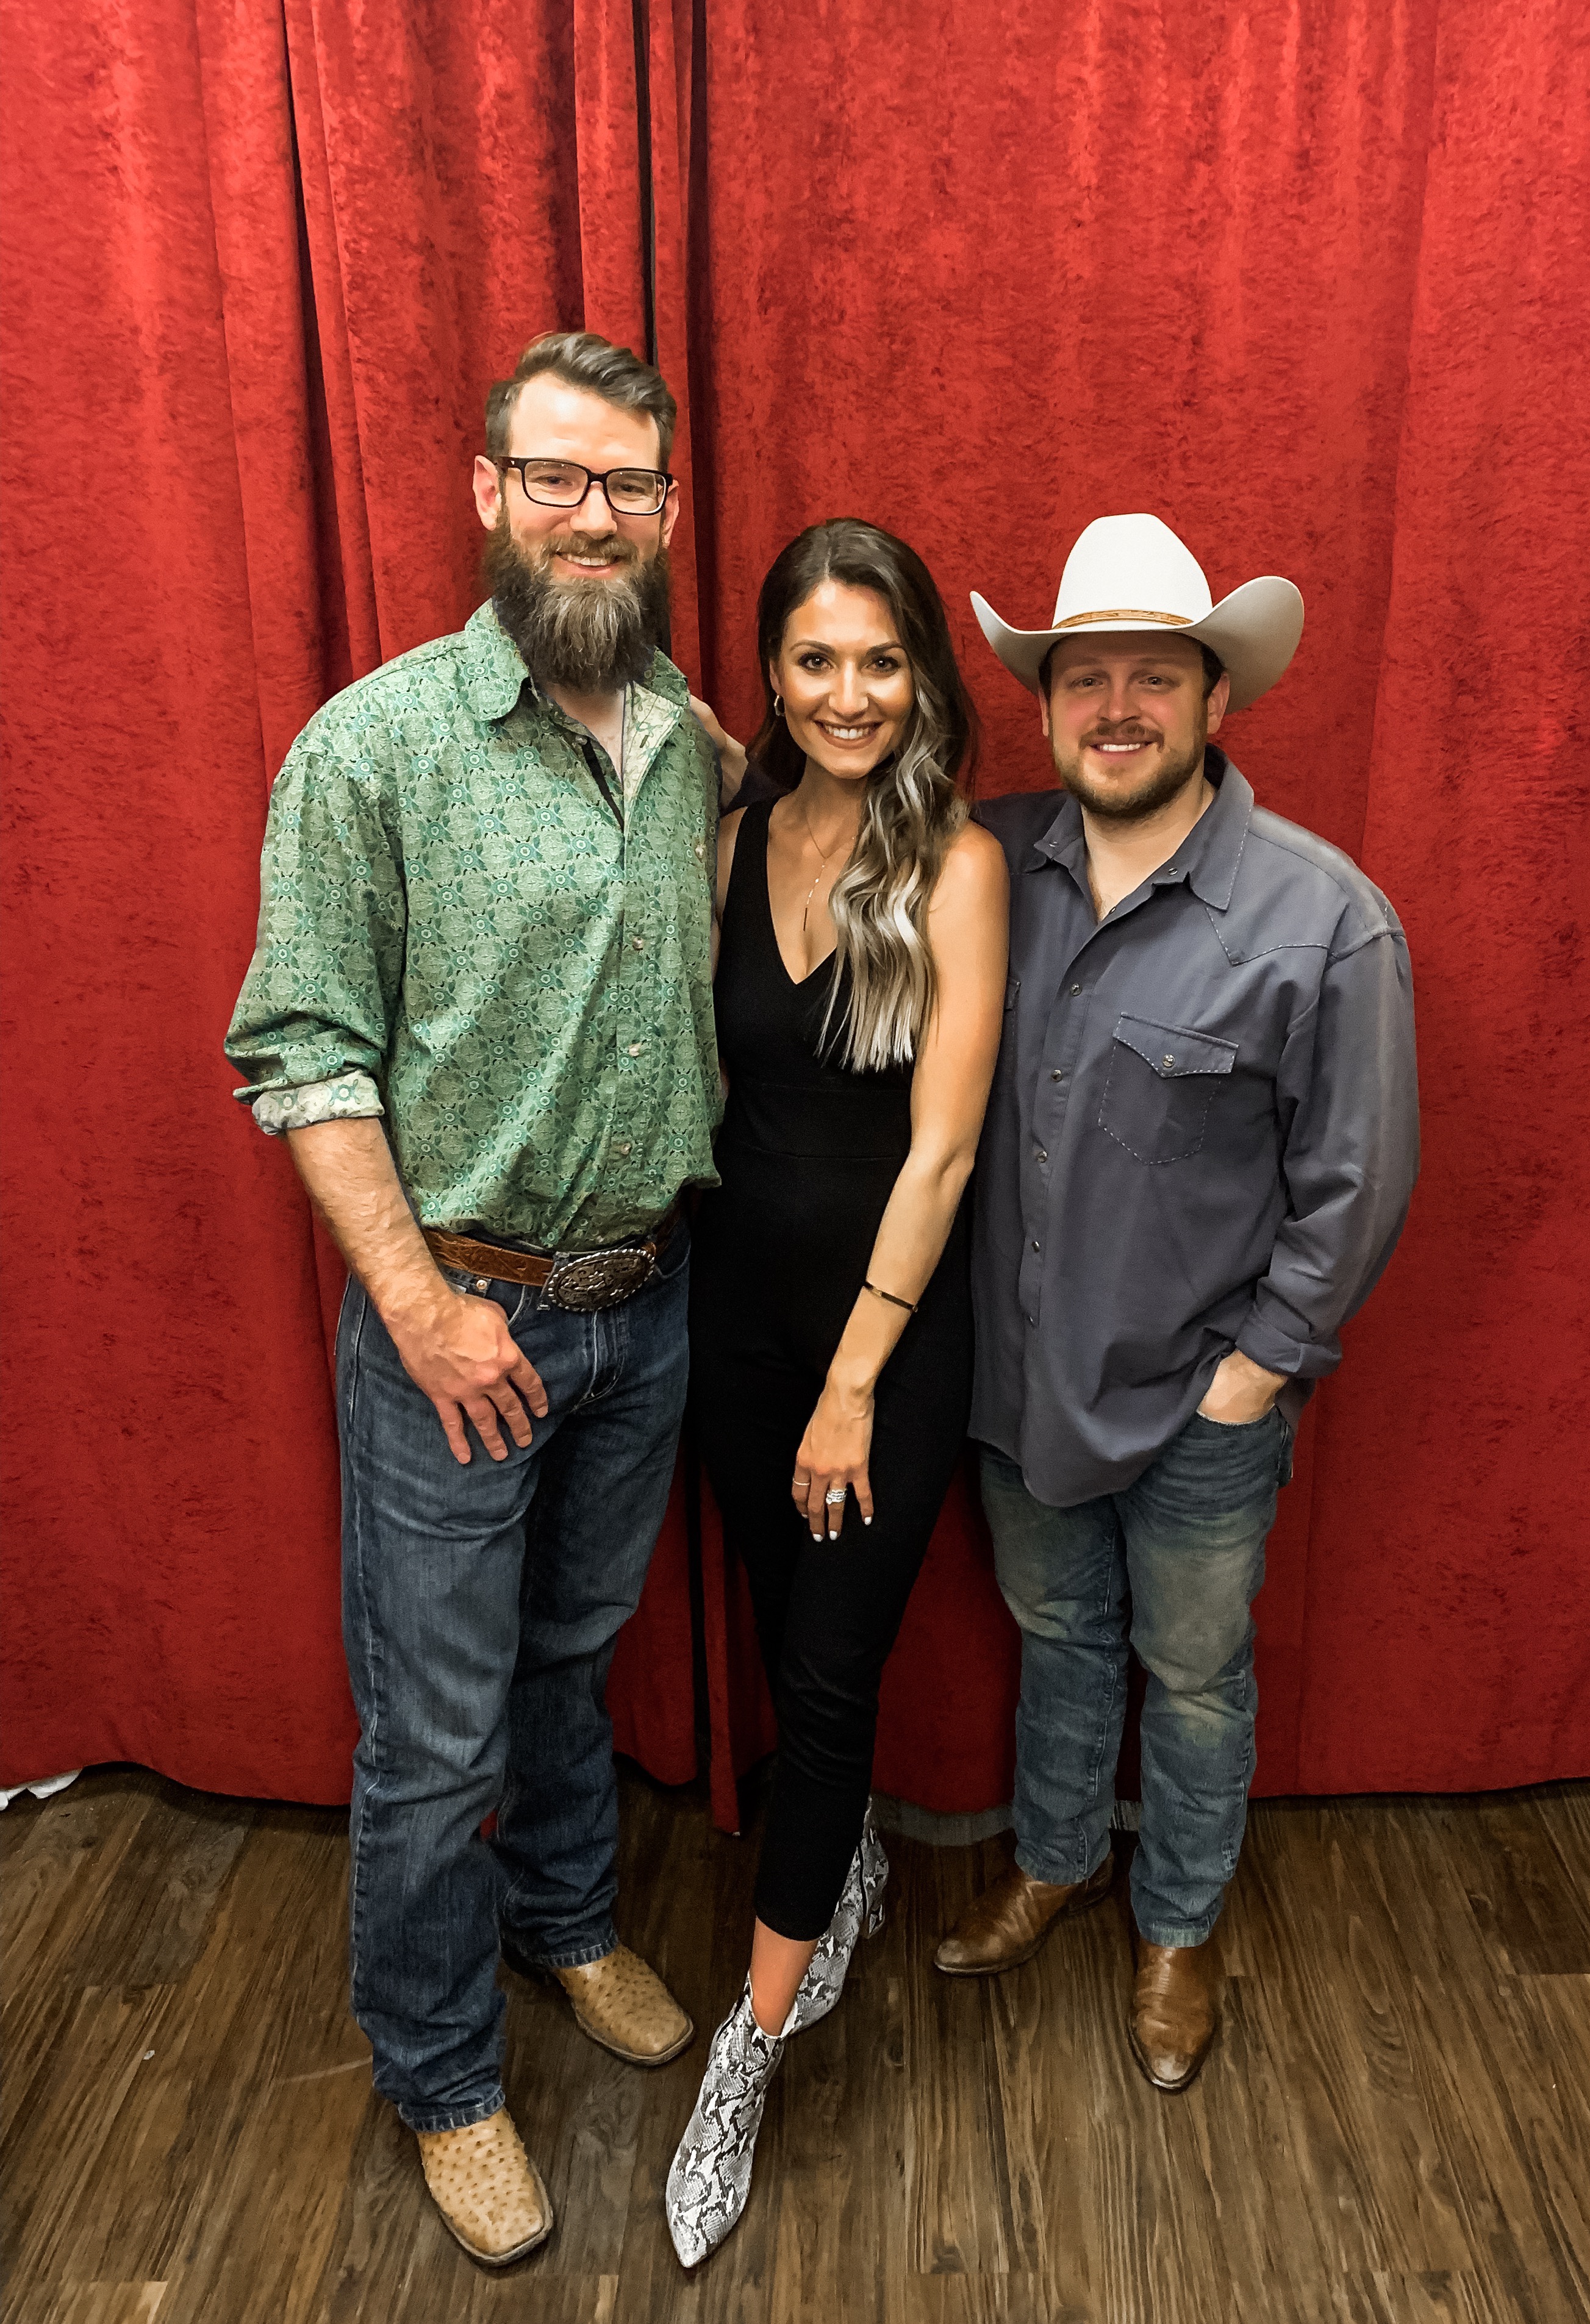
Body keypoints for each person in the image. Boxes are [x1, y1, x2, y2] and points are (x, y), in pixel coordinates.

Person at [225, 330, 744, 2268]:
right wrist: (424, 1307)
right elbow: (302, 1049)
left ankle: (568, 1924)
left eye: (630, 486)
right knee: (435, 1738)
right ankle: (444, 2077)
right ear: (488, 493)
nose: (593, 517)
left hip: (647, 1308)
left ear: (668, 511)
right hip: (460, 1323)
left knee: (572, 1659)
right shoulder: (372, 748)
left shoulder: (688, 739)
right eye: (557, 478)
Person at [936, 515, 1419, 2095]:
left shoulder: (1323, 917)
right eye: (1086, 678)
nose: (1118, 707)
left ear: (1218, 698)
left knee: (1197, 1675)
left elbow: (1356, 1179)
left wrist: (1257, 1368)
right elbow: (814, 852)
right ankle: (1057, 1860)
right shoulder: (983, 863)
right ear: (1045, 702)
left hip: (1205, 1403)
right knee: (1057, 1634)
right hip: (1017, 1384)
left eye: (1156, 675)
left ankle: (1179, 1925)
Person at [665, 520, 1009, 2267]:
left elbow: (942, 1152)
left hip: (884, 1350)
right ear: (773, 675)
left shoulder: (956, 862)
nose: (851, 693)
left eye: (881, 660)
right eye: (816, 660)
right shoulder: (730, 837)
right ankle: (847, 1864)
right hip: (730, 1333)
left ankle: (748, 2048)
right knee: (786, 1629)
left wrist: (854, 1383)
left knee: (824, 1675)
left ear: (924, 673)